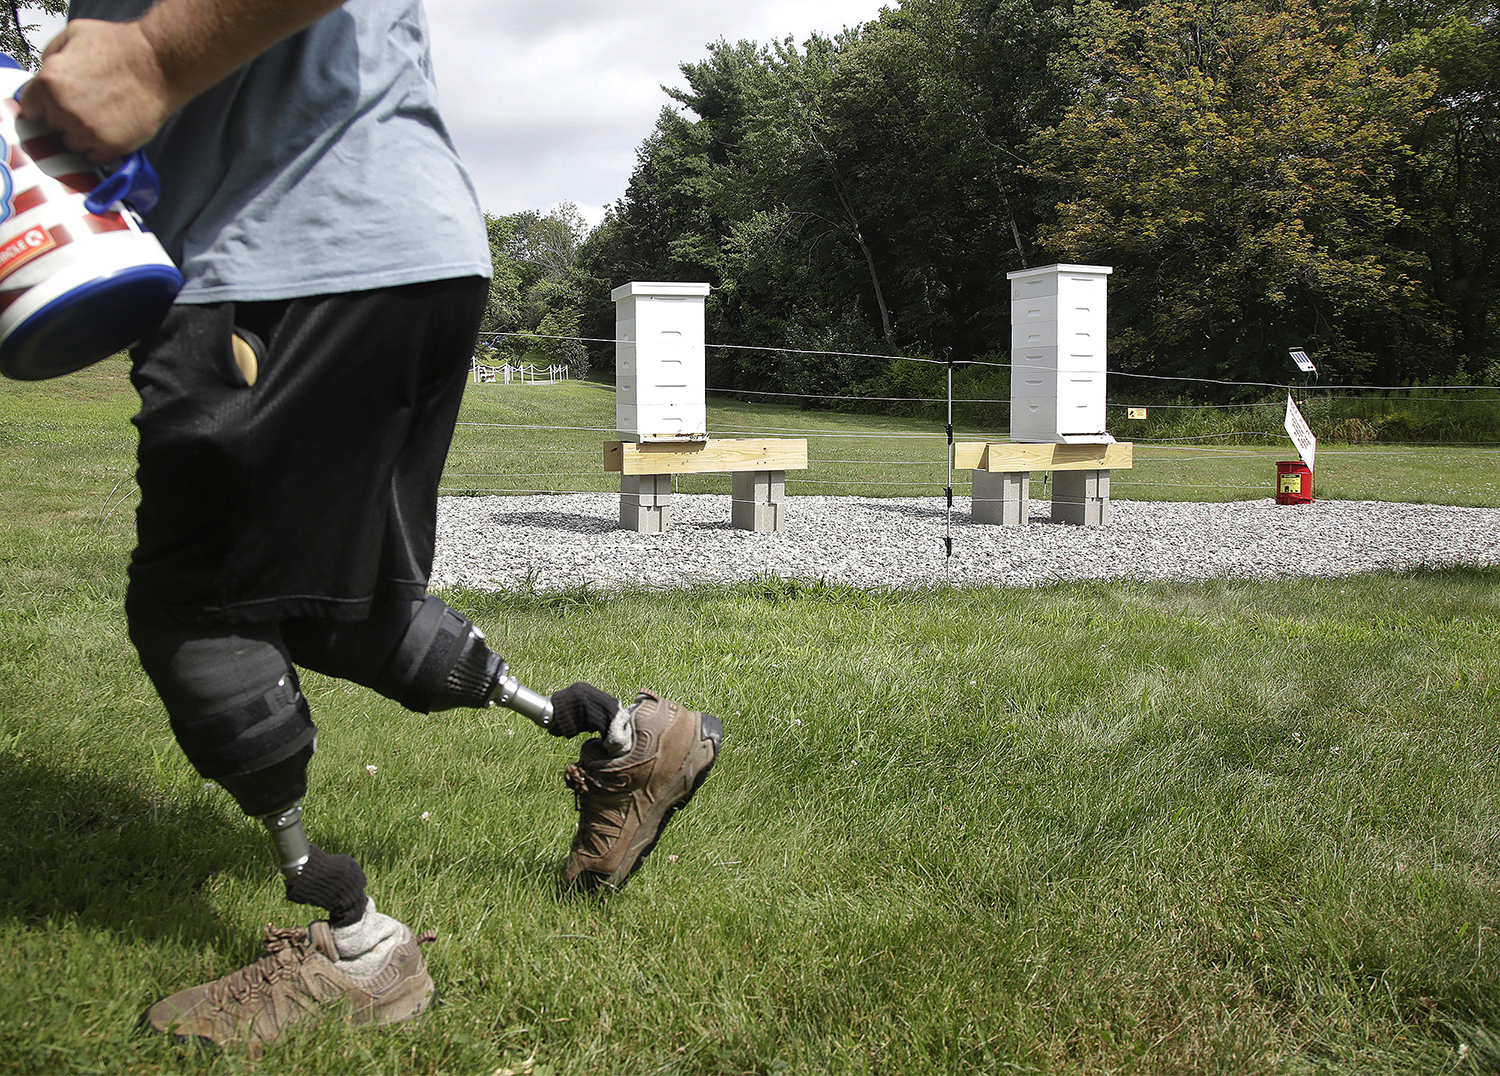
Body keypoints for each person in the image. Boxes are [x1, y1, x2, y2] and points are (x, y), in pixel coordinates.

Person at [20, 0, 722, 1056]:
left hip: (287, 260)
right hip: (394, 246)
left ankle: (354, 944)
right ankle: (630, 737)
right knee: (331, 601)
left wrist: (152, 53)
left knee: (197, 607)